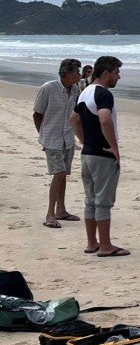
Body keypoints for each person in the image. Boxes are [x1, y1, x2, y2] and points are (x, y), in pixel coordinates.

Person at [69, 56, 129, 257]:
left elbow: (74, 119)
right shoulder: (103, 94)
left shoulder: (85, 92)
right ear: (106, 73)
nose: (118, 77)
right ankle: (105, 246)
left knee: (90, 200)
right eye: (116, 73)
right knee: (103, 201)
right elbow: (104, 120)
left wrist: (84, 140)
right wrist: (114, 148)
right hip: (102, 155)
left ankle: (91, 243)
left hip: (88, 154)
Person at [33, 58, 82, 229]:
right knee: (59, 172)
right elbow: (37, 114)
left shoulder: (76, 89)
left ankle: (61, 210)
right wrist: (43, 136)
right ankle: (50, 214)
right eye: (77, 71)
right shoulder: (48, 88)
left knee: (63, 175)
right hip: (51, 138)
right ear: (66, 73)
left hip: (67, 138)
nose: (80, 75)